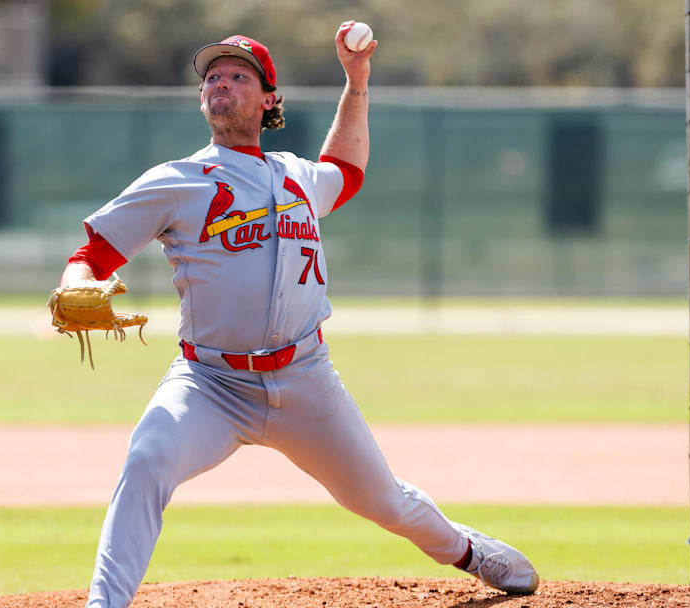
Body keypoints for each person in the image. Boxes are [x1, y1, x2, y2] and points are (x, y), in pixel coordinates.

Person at [59, 24, 540, 608]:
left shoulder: (298, 176)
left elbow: (348, 168)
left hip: (306, 376)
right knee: (147, 460)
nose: (221, 83)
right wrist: (75, 286)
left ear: (268, 100)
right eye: (212, 76)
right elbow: (90, 256)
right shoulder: (176, 181)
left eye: (238, 76)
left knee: (383, 500)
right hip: (210, 382)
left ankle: (467, 550)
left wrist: (356, 81)